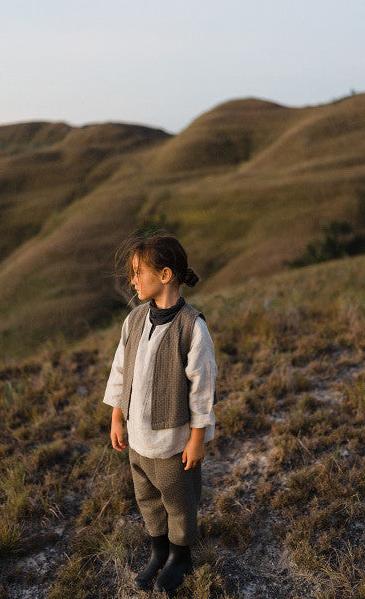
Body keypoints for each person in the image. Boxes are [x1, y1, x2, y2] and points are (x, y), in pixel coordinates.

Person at [102, 231, 217, 593]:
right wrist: (117, 416)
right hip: (138, 440)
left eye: (138, 272)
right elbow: (120, 370)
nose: (132, 280)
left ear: (165, 275)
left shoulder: (192, 328)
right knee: (148, 499)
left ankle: (180, 557)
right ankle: (159, 551)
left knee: (178, 503)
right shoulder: (134, 321)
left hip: (172, 443)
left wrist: (197, 439)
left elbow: (203, 390)